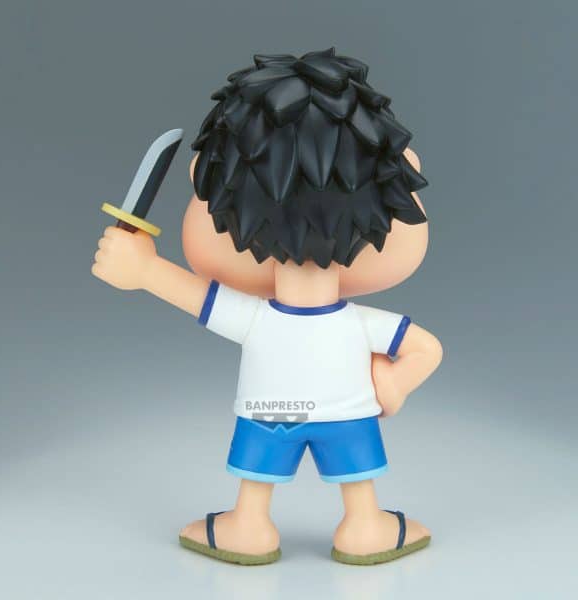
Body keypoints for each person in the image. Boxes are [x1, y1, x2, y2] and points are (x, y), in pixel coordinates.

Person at [92, 48, 443, 566]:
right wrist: (390, 385)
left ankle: (249, 526)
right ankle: (365, 527)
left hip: (269, 412)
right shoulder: (356, 325)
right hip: (346, 415)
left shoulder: (257, 320)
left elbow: (200, 299)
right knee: (357, 482)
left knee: (257, 481)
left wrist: (144, 270)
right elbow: (426, 350)